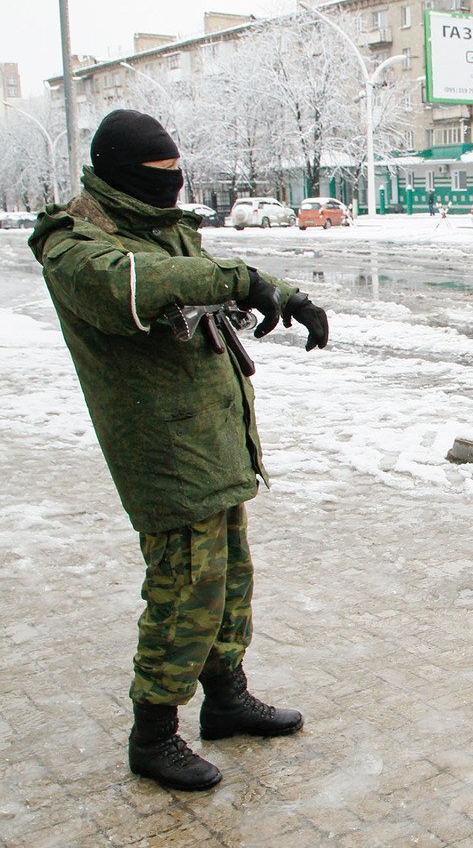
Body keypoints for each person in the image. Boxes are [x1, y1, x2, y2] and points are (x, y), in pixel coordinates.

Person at [28, 109, 330, 792]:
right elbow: (136, 288)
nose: (171, 187)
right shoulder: (75, 243)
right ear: (119, 176)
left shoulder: (162, 229)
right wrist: (240, 279)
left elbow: (211, 276)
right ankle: (153, 734)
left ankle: (225, 699)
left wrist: (287, 296)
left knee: (228, 579)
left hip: (214, 438)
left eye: (176, 176)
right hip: (162, 450)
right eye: (156, 176)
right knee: (182, 590)